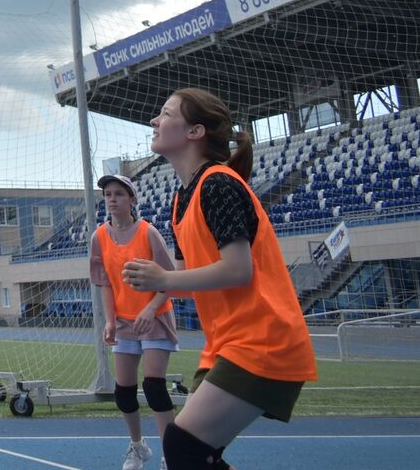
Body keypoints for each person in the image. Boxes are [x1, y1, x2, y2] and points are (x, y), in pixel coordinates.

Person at [124, 88, 317, 470]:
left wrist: (161, 277)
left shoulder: (218, 184)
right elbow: (184, 278)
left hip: (263, 340)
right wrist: (150, 301)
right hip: (228, 344)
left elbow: (237, 269)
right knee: (193, 455)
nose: (154, 120)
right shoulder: (182, 198)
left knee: (182, 447)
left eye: (165, 113)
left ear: (195, 132)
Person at [90, 172, 179, 470]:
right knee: (123, 392)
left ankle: (172, 453)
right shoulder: (99, 236)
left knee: (154, 387)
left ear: (132, 199)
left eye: (118, 194)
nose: (112, 199)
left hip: (155, 316)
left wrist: (151, 309)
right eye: (107, 195)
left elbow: (171, 282)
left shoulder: (148, 233)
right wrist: (110, 321)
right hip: (125, 322)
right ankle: (138, 447)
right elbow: (105, 283)